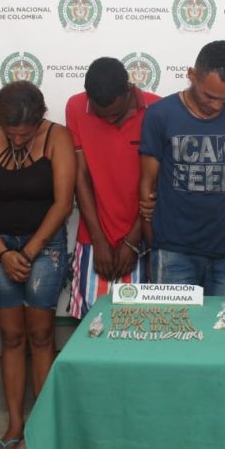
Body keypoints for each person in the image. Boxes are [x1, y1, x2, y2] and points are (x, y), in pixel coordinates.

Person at [0, 81, 75, 449]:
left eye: (25, 135)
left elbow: (63, 203)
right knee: (12, 337)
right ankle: (15, 425)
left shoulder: (58, 137)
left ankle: (43, 428)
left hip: (44, 247)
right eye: (10, 133)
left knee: (41, 335)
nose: (16, 140)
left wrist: (27, 252)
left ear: (40, 119)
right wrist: (2, 252)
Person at [139, 40, 225, 296]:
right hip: (174, 251)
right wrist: (156, 246)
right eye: (209, 96)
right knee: (175, 322)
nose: (217, 105)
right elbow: (147, 185)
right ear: (191, 75)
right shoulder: (160, 114)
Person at [66, 57, 159, 318]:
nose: (110, 120)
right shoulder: (76, 106)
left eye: (116, 114)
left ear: (129, 90)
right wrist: (98, 239)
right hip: (94, 237)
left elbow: (158, 183)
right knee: (91, 323)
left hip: (143, 236)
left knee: (141, 322)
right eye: (101, 114)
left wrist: (132, 241)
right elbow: (80, 176)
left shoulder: (157, 109)